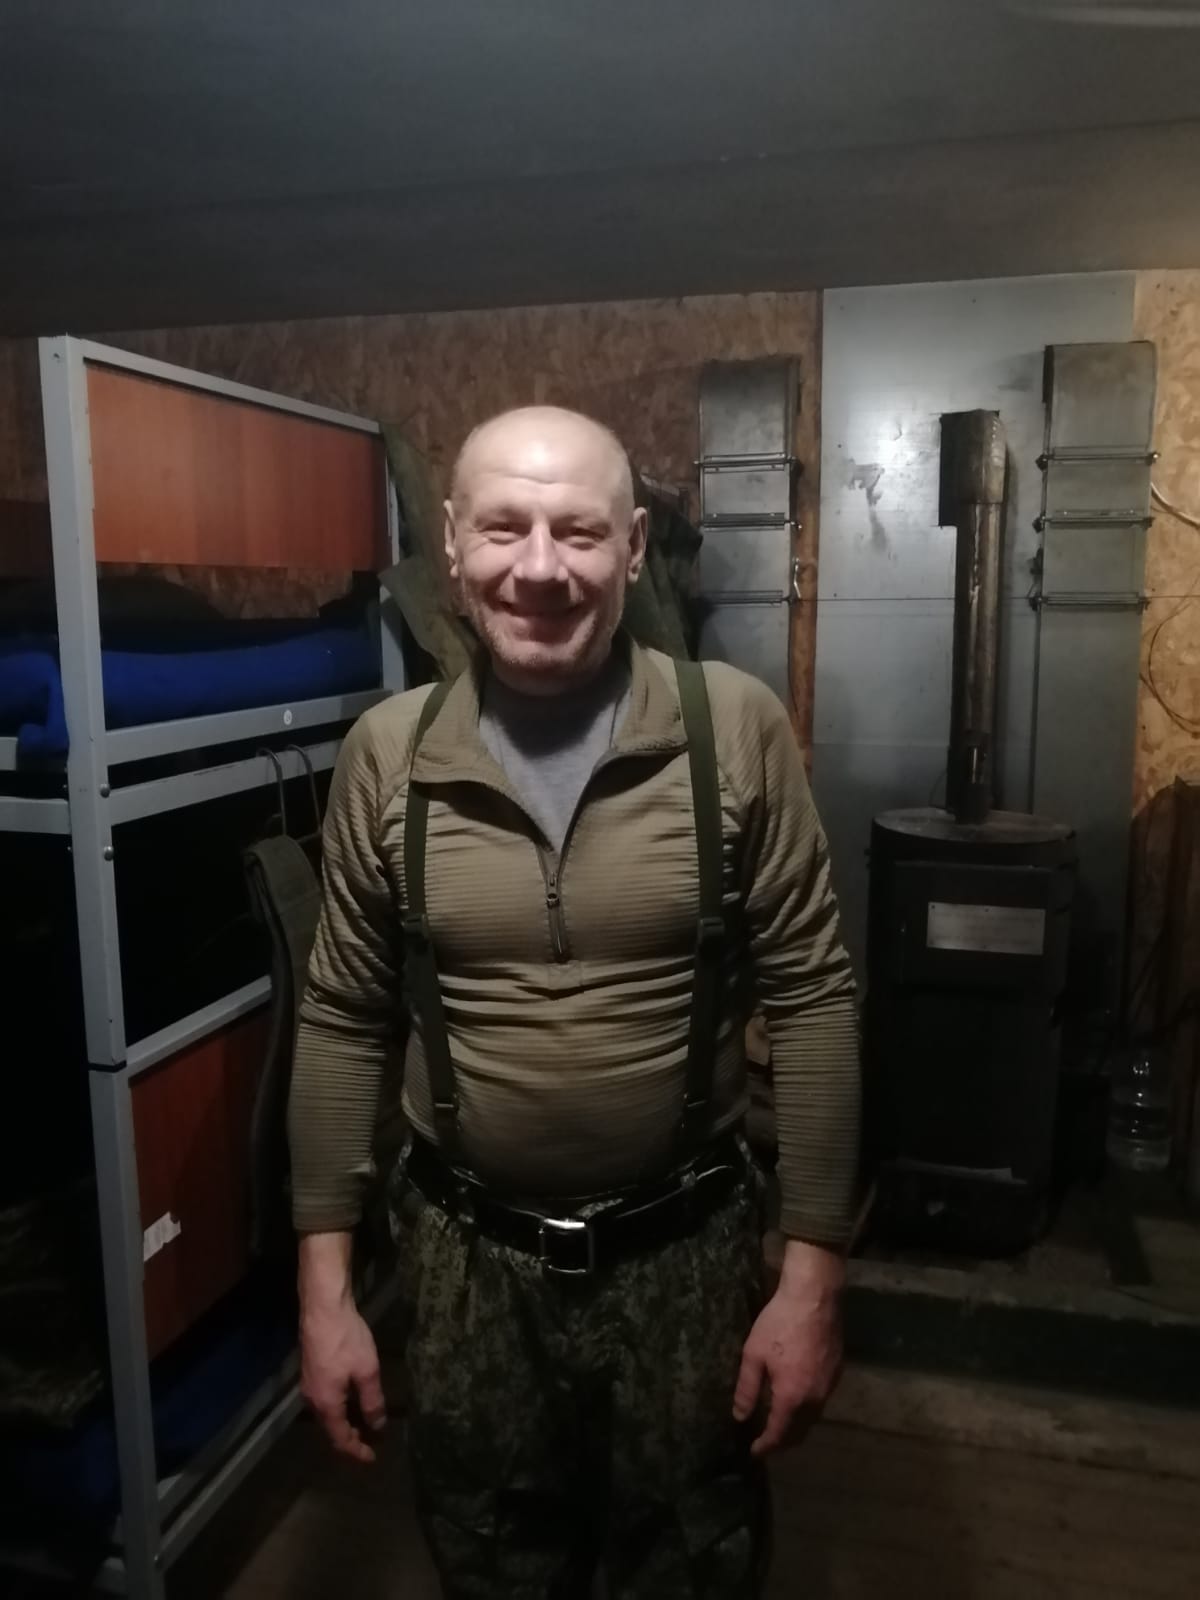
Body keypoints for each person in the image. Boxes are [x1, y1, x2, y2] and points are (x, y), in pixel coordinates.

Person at [288, 405, 860, 1598]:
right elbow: (342, 1013)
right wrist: (325, 1289)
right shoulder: (387, 755)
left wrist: (811, 1281)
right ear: (452, 547)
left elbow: (812, 997)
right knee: (494, 1558)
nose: (540, 568)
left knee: (688, 1561)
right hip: (465, 1264)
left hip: (686, 1256)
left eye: (579, 531)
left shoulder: (732, 729)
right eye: (505, 528)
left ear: (635, 547)